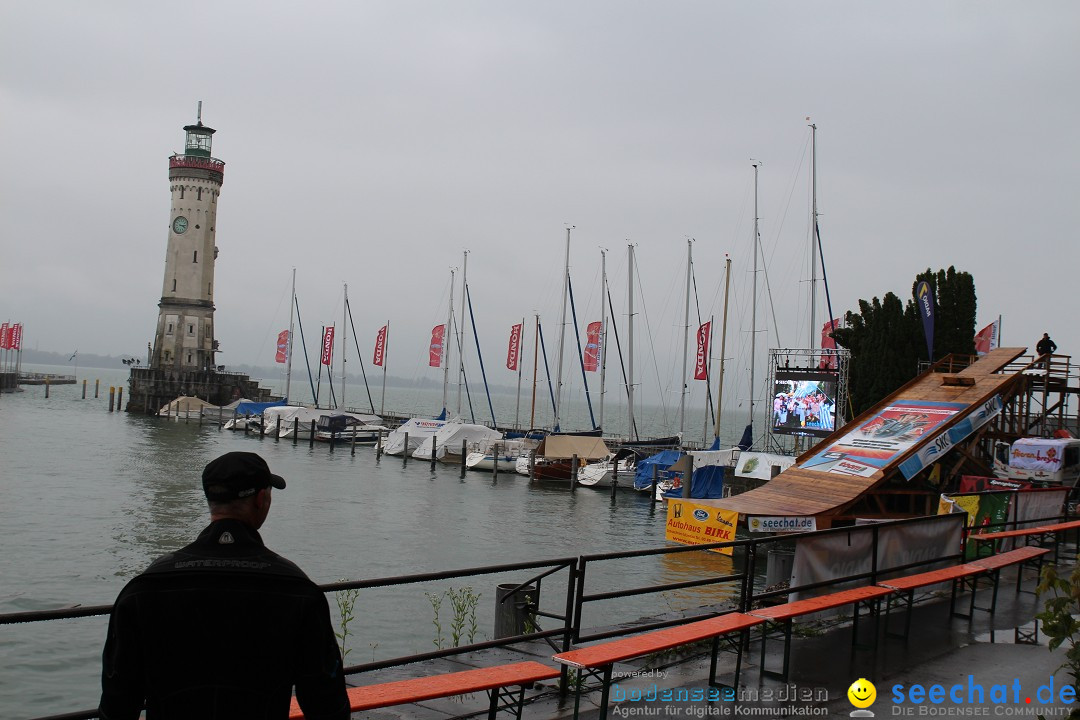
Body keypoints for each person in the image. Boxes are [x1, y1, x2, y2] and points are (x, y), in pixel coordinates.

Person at [99, 452, 350, 720]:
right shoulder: (297, 589)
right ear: (261, 499)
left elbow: (117, 703)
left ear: (211, 500)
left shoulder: (145, 589)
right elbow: (327, 704)